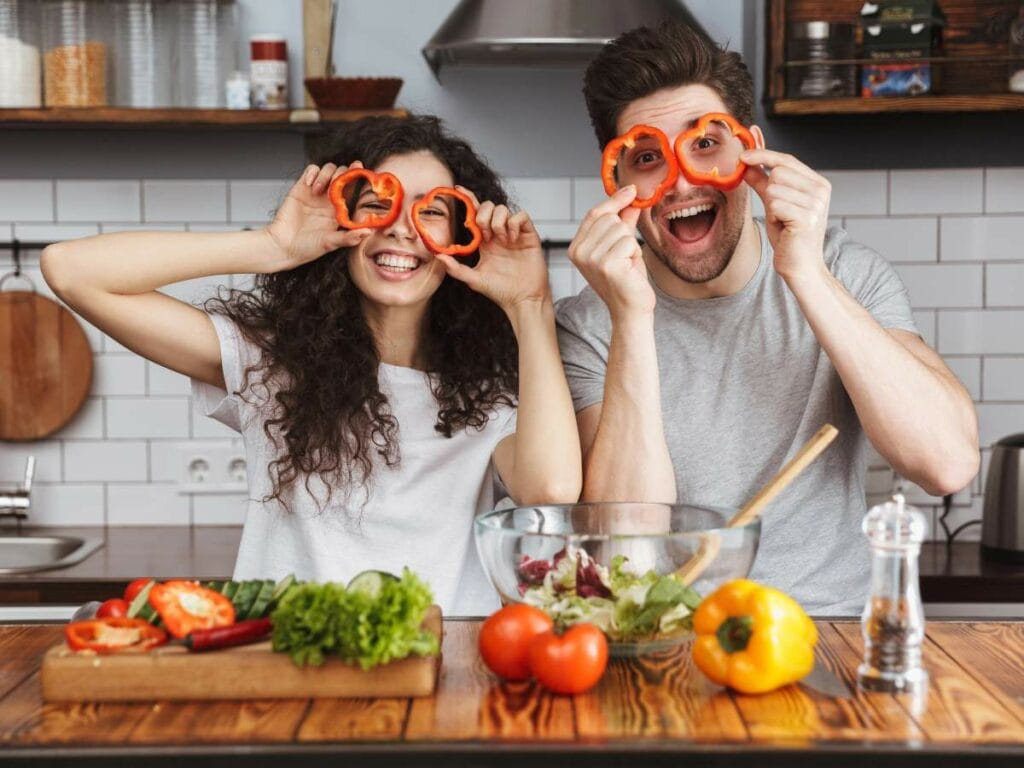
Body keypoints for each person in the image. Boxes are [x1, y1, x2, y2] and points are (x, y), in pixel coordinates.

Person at [41, 114, 581, 616]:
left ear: (463, 240)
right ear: (343, 220)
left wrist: (529, 302)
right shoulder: (272, 365)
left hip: (444, 681)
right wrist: (273, 246)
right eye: (377, 204)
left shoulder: (495, 392)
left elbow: (552, 491)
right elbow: (69, 270)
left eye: (431, 211)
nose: (401, 229)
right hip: (292, 678)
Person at [556, 22, 979, 615]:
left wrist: (805, 273)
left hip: (823, 641)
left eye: (705, 144)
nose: (681, 179)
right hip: (666, 646)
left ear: (750, 150)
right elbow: (626, 552)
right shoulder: (588, 324)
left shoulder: (844, 273)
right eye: (648, 158)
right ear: (619, 181)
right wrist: (631, 316)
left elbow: (947, 463)